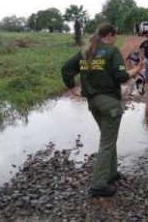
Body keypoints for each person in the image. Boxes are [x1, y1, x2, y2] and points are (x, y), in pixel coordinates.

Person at [61, 23, 143, 197]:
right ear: (110, 35)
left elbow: (66, 69)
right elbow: (121, 77)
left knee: (108, 137)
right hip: (110, 104)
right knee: (107, 142)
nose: (115, 39)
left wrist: (73, 89)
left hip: (93, 104)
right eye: (115, 36)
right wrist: (136, 69)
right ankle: (98, 185)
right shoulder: (112, 51)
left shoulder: (85, 52)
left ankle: (111, 174)